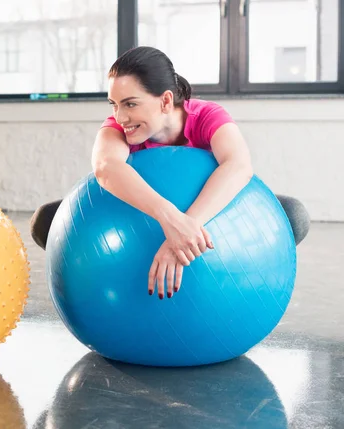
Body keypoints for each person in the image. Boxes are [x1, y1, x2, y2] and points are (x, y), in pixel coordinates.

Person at [30, 46, 309, 300]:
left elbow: (238, 165)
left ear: (165, 101)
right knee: (46, 221)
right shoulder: (118, 128)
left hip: (211, 218)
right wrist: (169, 218)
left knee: (292, 215)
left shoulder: (206, 116)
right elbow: (105, 167)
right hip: (137, 219)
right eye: (113, 104)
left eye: (130, 103)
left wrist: (185, 230)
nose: (120, 116)